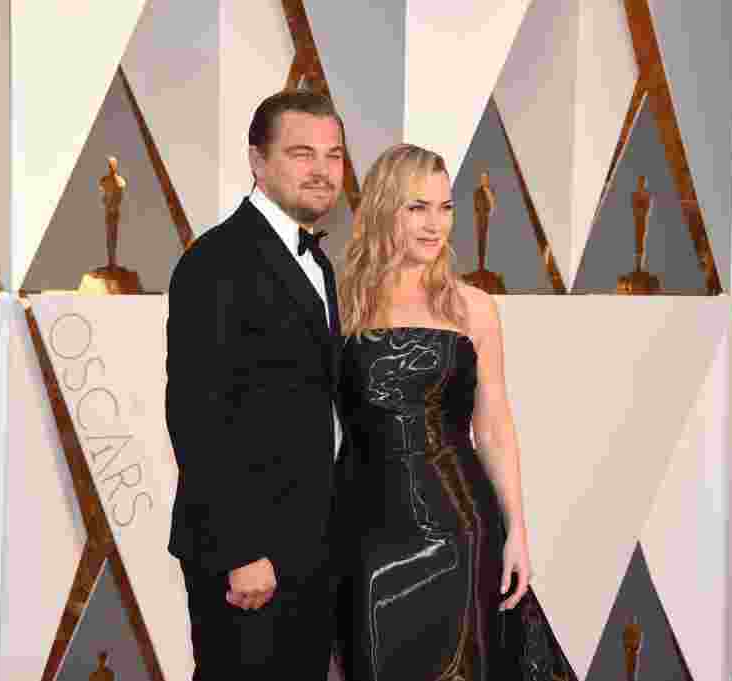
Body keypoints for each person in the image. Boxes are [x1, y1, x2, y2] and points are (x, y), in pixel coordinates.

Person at [165, 90, 347, 679]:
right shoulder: (217, 260)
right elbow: (196, 414)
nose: (322, 170)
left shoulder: (318, 264)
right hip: (248, 558)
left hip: (309, 548)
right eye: (302, 153)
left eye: (335, 155)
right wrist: (241, 550)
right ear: (257, 162)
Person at [335, 143, 533, 679]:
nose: (435, 224)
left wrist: (516, 528)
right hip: (364, 532)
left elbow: (493, 424)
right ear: (382, 209)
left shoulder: (473, 307)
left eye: (445, 208)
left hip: (460, 528)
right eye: (417, 207)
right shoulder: (339, 302)